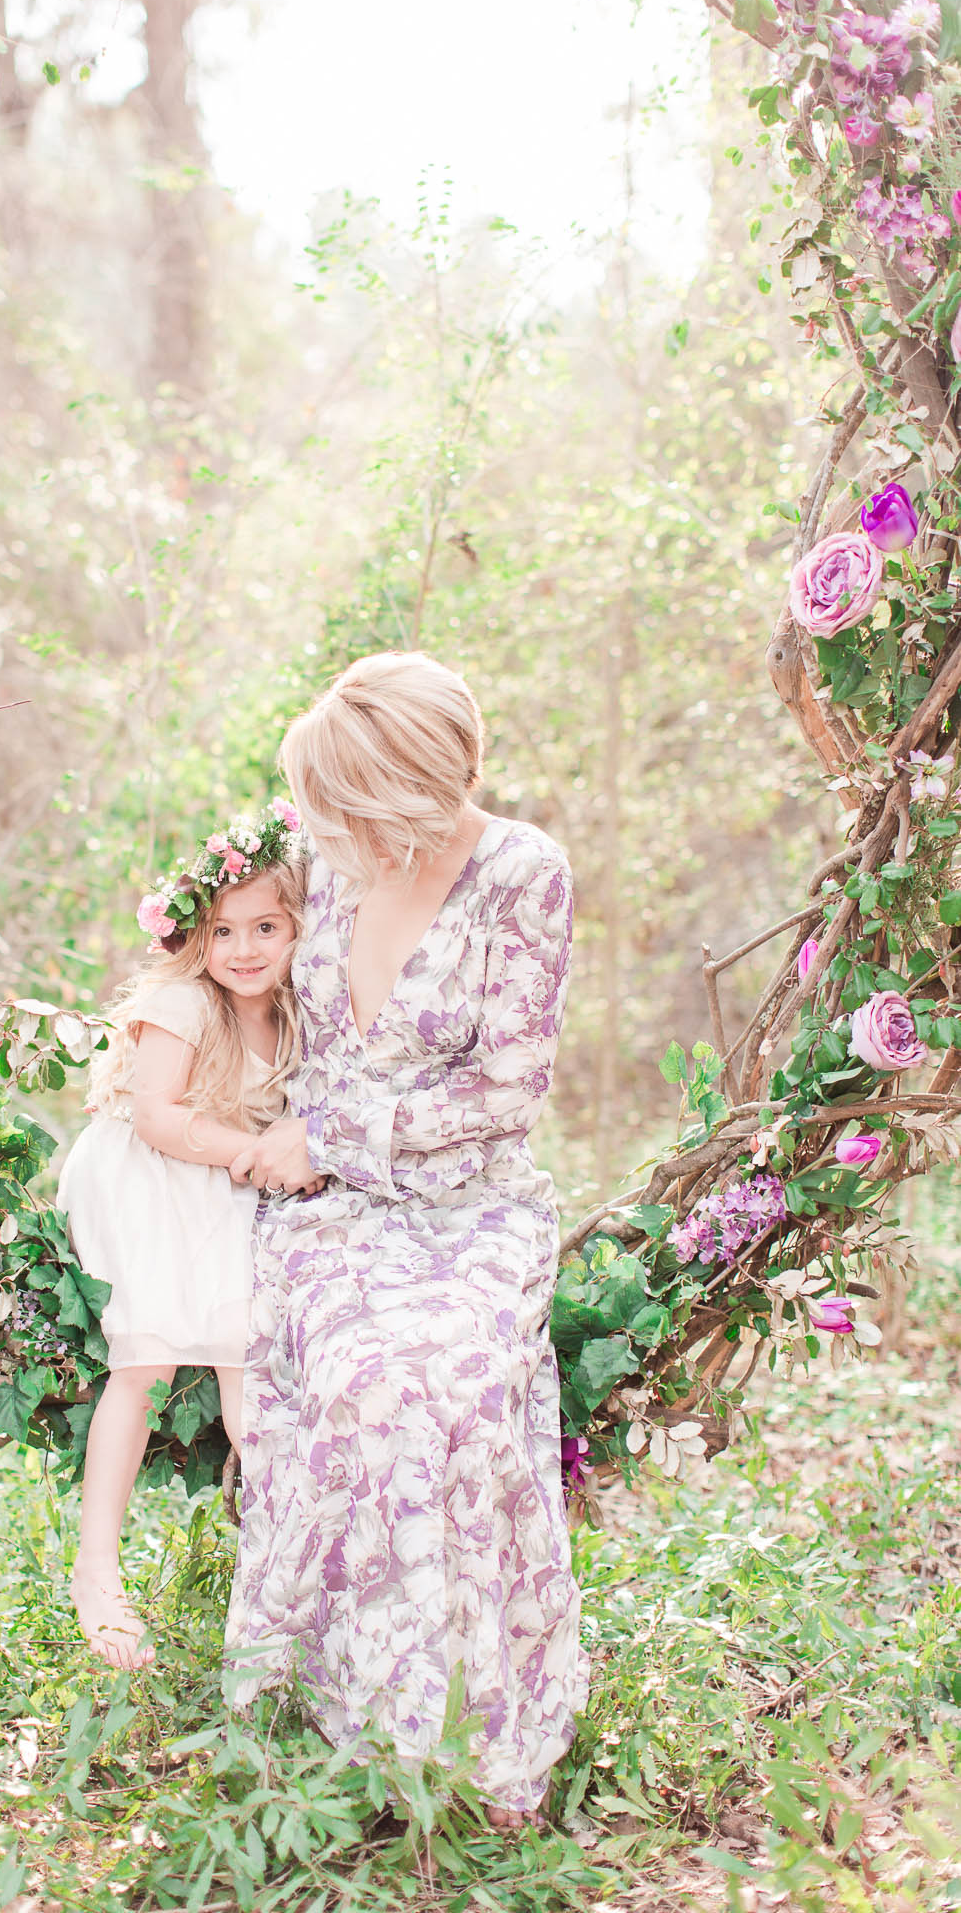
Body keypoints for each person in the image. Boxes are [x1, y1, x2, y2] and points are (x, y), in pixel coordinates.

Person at [222, 653, 586, 1827]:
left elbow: (508, 1091)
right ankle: (359, 1708)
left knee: (463, 1387)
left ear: (409, 784)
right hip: (329, 1211)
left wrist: (332, 1132)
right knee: (368, 1380)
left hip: (469, 1198)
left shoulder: (522, 873)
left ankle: (483, 1728)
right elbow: (236, 969)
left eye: (350, 800)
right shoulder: (326, 861)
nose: (331, 825)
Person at [58, 801, 315, 1669]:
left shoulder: (291, 1015)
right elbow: (159, 1120)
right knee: (150, 1360)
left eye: (266, 928)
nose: (243, 950)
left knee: (252, 1371)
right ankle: (97, 1569)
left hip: (220, 1185)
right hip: (145, 1176)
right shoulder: (183, 1004)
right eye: (222, 930)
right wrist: (256, 1153)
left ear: (297, 928)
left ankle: (294, 1579)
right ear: (193, 937)